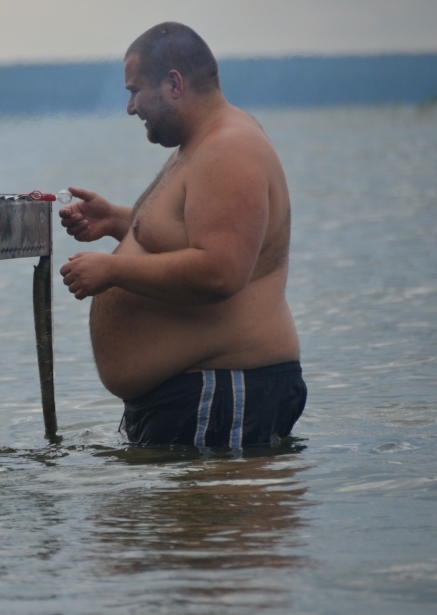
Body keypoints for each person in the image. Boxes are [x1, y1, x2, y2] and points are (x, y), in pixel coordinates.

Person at [59, 22, 305, 449]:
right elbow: (191, 234)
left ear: (174, 83)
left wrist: (113, 270)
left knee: (210, 517)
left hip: (223, 390)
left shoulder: (229, 149)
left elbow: (221, 271)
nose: (131, 107)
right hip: (200, 393)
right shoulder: (202, 143)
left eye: (135, 91)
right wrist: (117, 222)